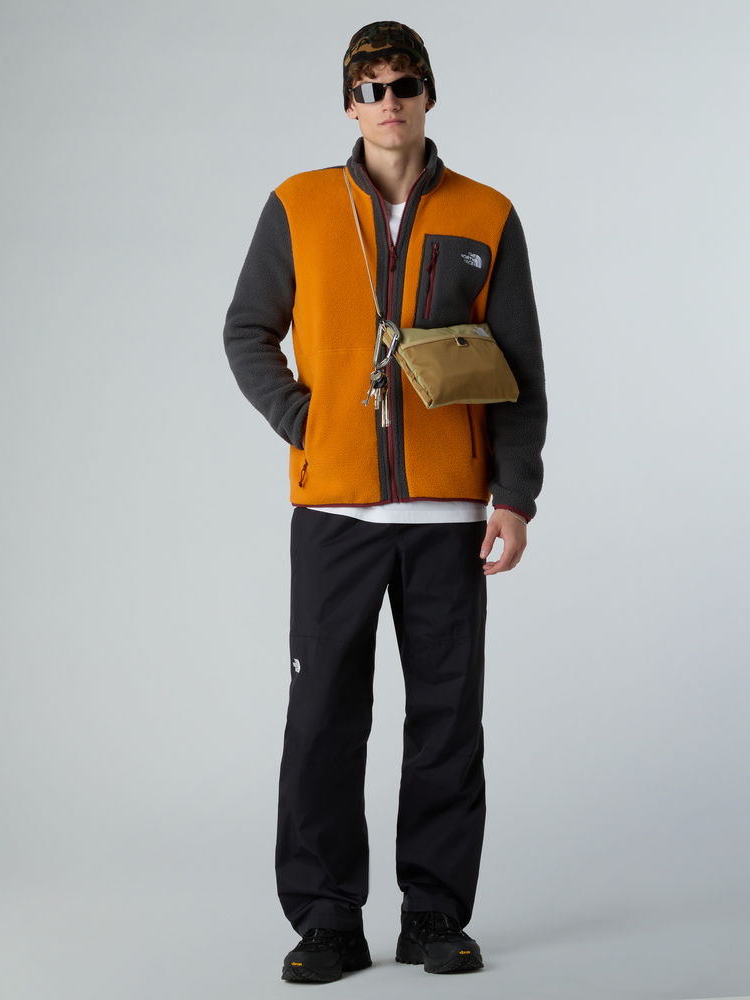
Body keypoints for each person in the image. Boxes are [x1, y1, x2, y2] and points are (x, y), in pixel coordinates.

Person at [223, 21, 546, 983]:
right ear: (349, 105)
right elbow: (246, 331)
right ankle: (327, 921)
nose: (388, 102)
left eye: (403, 84)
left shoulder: (487, 214)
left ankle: (434, 915)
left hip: (450, 517)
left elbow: (521, 370)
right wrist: (308, 422)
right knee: (323, 720)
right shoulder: (299, 205)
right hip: (336, 517)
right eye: (369, 88)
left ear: (428, 95)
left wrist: (515, 495)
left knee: (447, 722)